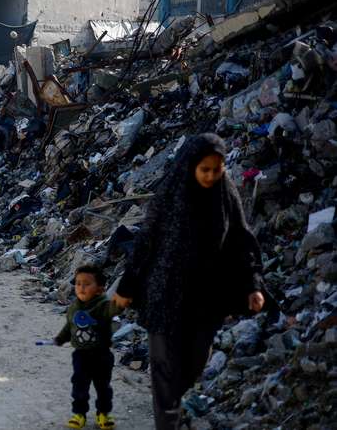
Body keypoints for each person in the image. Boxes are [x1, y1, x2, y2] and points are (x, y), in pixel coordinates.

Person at [112, 133, 265, 430]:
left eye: (216, 169)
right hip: (163, 293)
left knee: (194, 365)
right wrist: (127, 287)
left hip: (205, 298)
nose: (210, 176)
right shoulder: (171, 192)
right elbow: (145, 242)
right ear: (191, 165)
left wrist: (253, 285)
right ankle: (168, 422)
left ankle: (173, 408)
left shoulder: (224, 193)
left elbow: (241, 238)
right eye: (204, 169)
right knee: (164, 369)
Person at [54, 265, 123, 430]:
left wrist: (121, 301)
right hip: (81, 355)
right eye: (78, 284)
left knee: (103, 387)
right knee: (79, 386)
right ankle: (79, 414)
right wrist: (60, 338)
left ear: (100, 289)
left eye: (86, 284)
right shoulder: (74, 307)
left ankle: (103, 413)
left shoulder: (103, 305)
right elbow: (69, 327)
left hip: (102, 355)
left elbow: (114, 308)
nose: (81, 288)